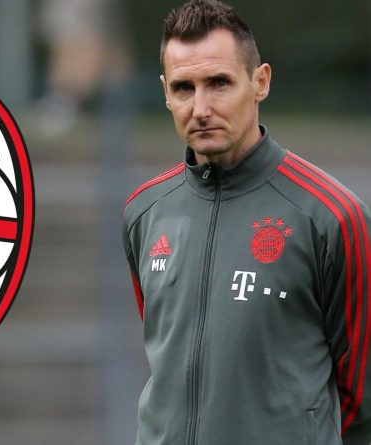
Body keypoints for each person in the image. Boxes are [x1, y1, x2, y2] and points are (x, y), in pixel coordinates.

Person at [122, 1, 371, 444]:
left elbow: (363, 400)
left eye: (219, 83)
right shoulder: (144, 212)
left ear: (260, 82)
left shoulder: (332, 216)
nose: (201, 108)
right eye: (184, 88)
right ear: (165, 93)